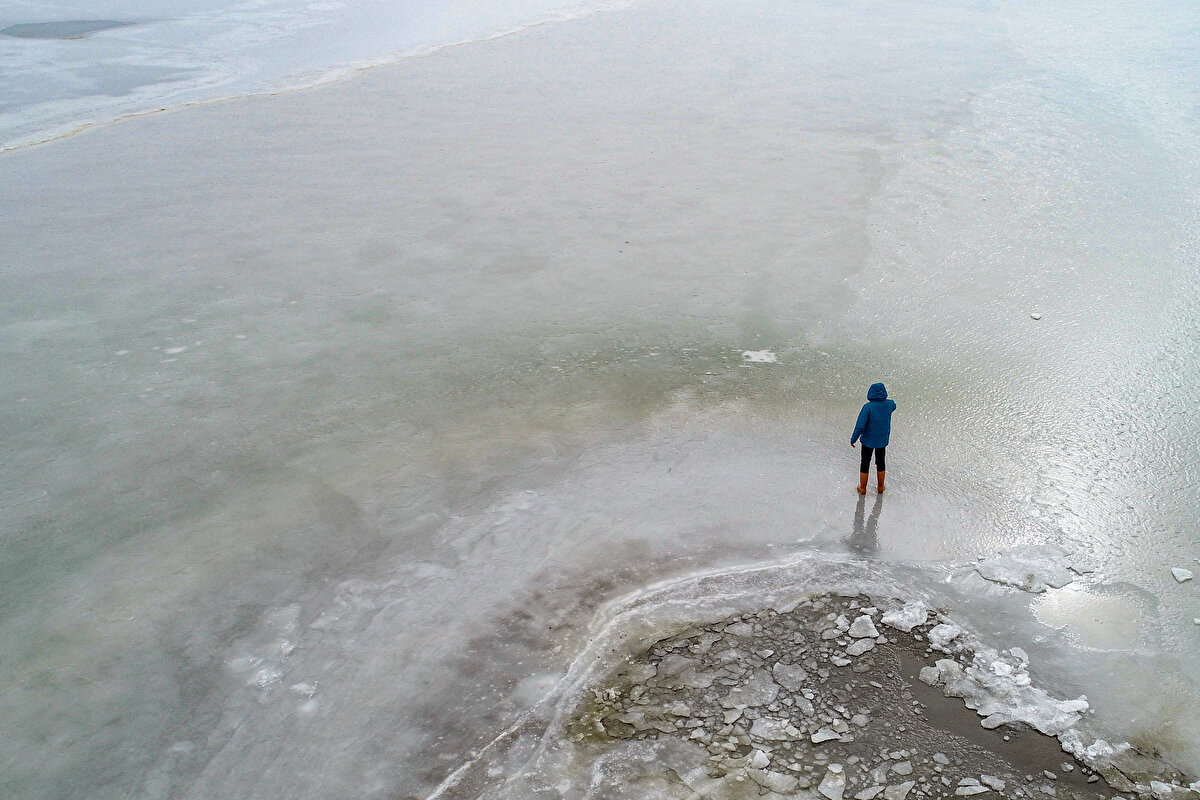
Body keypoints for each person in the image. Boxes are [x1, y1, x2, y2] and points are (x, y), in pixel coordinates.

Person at [850, 382, 896, 495]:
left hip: (868, 441)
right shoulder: (889, 405)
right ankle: (880, 487)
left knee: (865, 462)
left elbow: (860, 426)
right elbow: (894, 404)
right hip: (882, 440)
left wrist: (853, 439)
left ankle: (863, 488)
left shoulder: (867, 407)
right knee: (880, 462)